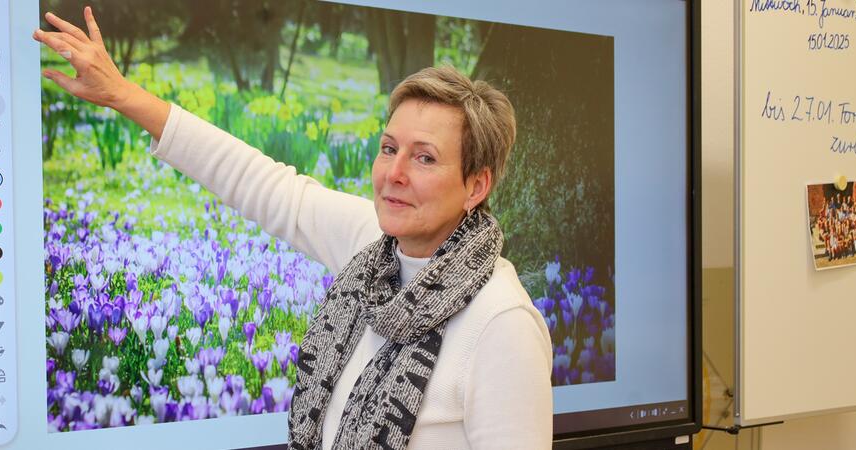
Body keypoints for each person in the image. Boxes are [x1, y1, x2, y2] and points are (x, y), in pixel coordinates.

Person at [34, 7, 553, 450]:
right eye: (389, 148)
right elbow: (262, 183)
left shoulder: (501, 325)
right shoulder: (372, 248)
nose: (393, 174)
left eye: (425, 158)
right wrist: (123, 95)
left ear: (475, 185)